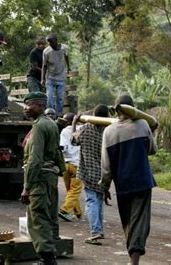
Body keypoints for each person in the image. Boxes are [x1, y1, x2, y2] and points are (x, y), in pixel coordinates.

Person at [100, 95, 157, 265]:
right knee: (139, 221)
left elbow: (106, 165)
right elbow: (151, 150)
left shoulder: (108, 131)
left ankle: (133, 258)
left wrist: (104, 187)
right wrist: (153, 131)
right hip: (142, 181)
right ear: (133, 108)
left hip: (122, 184)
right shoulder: (142, 124)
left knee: (127, 221)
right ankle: (134, 260)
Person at [21, 91, 65, 265]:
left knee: (38, 217)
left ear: (39, 106)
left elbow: (35, 158)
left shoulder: (39, 126)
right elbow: (57, 151)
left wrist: (27, 186)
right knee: (50, 214)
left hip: (39, 178)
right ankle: (52, 251)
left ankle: (47, 258)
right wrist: (60, 170)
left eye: (29, 105)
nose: (25, 108)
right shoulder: (51, 124)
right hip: (50, 176)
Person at [72, 104, 109, 245]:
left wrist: (75, 122)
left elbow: (74, 140)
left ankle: (95, 231)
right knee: (98, 201)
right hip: (104, 172)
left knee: (91, 201)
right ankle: (99, 230)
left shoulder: (86, 128)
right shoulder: (108, 130)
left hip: (88, 171)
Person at [58, 113, 82, 222]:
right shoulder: (81, 129)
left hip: (66, 164)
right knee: (75, 190)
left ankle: (78, 212)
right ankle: (64, 210)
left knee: (70, 191)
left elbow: (63, 148)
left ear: (67, 121)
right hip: (77, 164)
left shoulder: (64, 131)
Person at [41, 33, 71, 117]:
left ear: (56, 41)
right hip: (50, 77)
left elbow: (67, 56)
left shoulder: (64, 48)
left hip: (61, 76)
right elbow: (44, 66)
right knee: (50, 97)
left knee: (60, 98)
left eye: (51, 42)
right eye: (49, 42)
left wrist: (68, 67)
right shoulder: (46, 51)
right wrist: (42, 79)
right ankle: (49, 114)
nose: (50, 44)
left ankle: (58, 114)